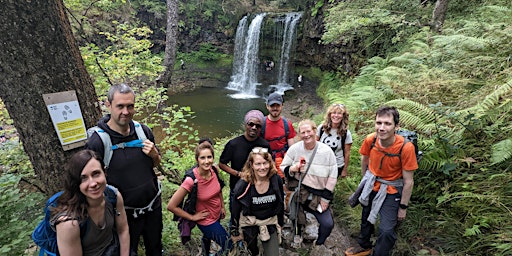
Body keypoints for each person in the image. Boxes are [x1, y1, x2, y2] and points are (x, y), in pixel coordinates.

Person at [86, 84, 162, 256]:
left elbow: (155, 164)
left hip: (152, 208)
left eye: (130, 106)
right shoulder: (98, 141)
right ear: (108, 104)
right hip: (122, 215)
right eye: (120, 106)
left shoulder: (143, 131)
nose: (126, 112)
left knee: (155, 249)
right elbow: (90, 181)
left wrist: (154, 155)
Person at [345, 106, 418, 256]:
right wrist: (365, 181)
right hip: (372, 184)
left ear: (396, 127)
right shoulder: (370, 140)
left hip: (392, 190)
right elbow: (364, 159)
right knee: (365, 217)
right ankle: (364, 245)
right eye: (378, 123)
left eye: (387, 123)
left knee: (386, 230)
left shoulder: (406, 147)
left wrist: (403, 207)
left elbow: (408, 181)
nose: (382, 128)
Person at [53, 149, 130, 256]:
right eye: (83, 178)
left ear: (105, 172)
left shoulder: (113, 196)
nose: (93, 183)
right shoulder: (69, 224)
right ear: (76, 183)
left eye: (96, 174)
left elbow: (123, 230)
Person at [280, 119, 337, 246]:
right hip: (299, 192)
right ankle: (297, 234)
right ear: (299, 134)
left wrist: (325, 200)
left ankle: (319, 244)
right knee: (294, 215)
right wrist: (293, 168)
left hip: (318, 195)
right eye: (302, 132)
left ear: (315, 131)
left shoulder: (327, 151)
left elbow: (332, 177)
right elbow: (283, 166)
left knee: (327, 224)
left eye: (308, 131)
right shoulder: (294, 149)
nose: (306, 135)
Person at [167, 142, 231, 255]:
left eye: (209, 157)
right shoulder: (191, 180)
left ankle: (206, 253)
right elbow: (171, 206)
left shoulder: (214, 170)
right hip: (206, 220)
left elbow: (218, 189)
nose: (207, 161)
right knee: (228, 245)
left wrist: (222, 206)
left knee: (207, 238)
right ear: (197, 159)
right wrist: (192, 217)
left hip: (216, 215)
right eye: (203, 158)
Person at [218, 110, 270, 226]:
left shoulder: (265, 145)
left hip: (257, 189)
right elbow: (222, 164)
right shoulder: (233, 144)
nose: (254, 128)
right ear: (245, 125)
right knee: (235, 215)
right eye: (251, 124)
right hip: (236, 188)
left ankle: (251, 239)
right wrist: (238, 174)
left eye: (258, 126)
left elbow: (269, 165)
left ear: (261, 128)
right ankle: (234, 237)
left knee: (253, 216)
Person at [230, 147, 284, 256]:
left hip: (270, 221)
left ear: (270, 163)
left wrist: (281, 222)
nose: (262, 167)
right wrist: (234, 230)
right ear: (251, 165)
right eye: (258, 164)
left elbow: (280, 201)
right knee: (252, 252)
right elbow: (235, 208)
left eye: (265, 163)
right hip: (250, 222)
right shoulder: (243, 185)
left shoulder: (275, 179)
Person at [262, 92, 296, 178]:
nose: (275, 108)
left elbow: (292, 147)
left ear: (282, 106)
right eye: (272, 106)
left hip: (282, 161)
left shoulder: (287, 124)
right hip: (265, 160)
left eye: (277, 106)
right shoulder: (262, 124)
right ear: (267, 106)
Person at [317, 103, 353, 178]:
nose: (336, 115)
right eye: (334, 113)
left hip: (336, 166)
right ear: (330, 115)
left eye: (339, 113)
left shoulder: (346, 133)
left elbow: (347, 153)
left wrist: (344, 170)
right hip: (320, 163)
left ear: (343, 116)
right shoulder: (321, 128)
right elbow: (314, 145)